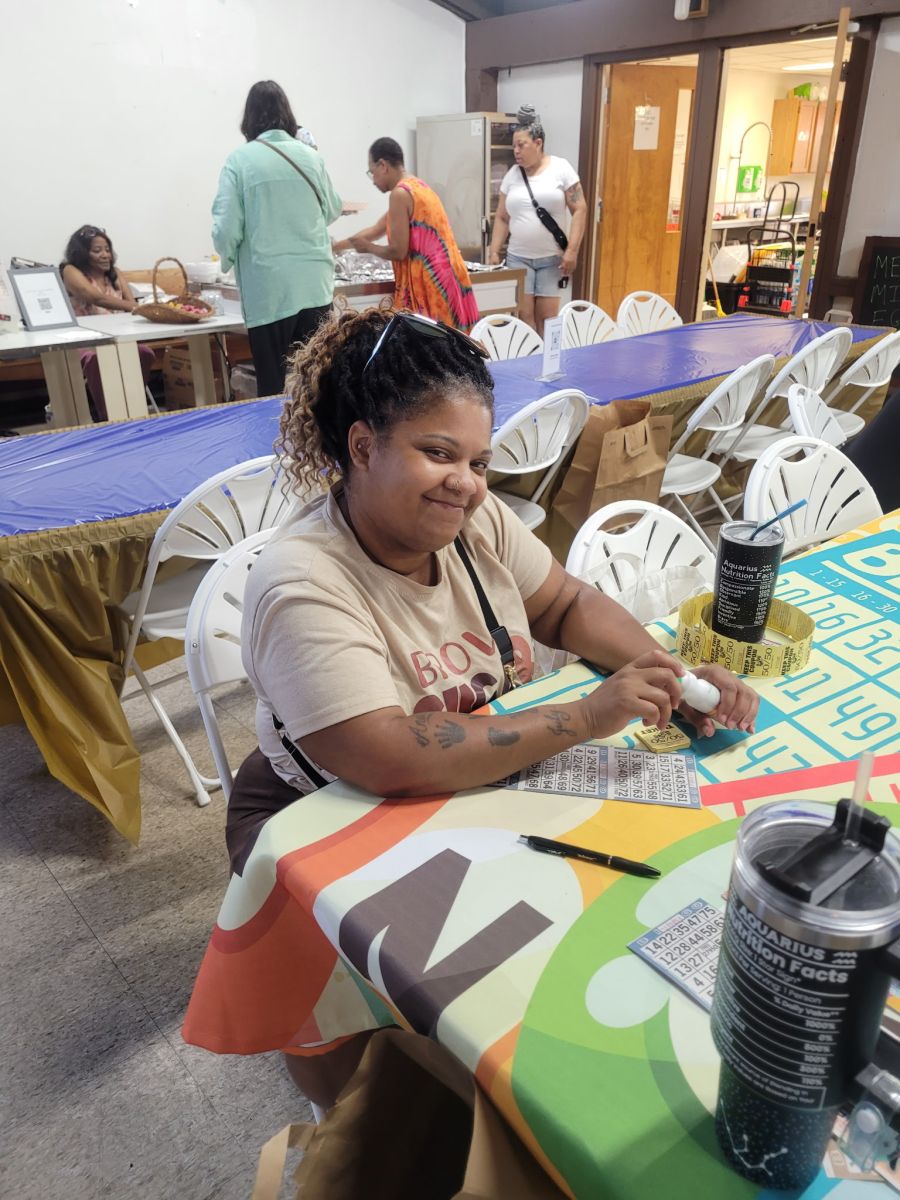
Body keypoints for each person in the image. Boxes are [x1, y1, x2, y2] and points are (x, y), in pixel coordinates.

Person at [224, 305, 759, 1107]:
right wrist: (586, 717)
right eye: (438, 453)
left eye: (478, 460)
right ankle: (349, 1125)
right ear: (363, 446)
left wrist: (666, 673)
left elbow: (567, 604)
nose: (468, 484)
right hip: (320, 818)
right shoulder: (303, 581)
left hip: (468, 785)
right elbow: (388, 755)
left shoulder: (473, 524)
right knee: (393, 1080)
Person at [212, 80, 343, 397]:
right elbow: (333, 209)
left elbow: (226, 228)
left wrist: (226, 260)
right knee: (320, 382)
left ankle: (273, 430)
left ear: (248, 118)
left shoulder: (240, 161)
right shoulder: (311, 157)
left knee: (272, 386)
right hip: (314, 284)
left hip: (268, 289)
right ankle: (323, 431)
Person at [333, 137, 479, 332]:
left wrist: (369, 248)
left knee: (430, 344)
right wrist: (335, 247)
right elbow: (375, 230)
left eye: (372, 172)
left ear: (383, 165)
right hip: (448, 278)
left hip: (429, 283)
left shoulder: (399, 194)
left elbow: (398, 251)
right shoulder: (419, 187)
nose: (373, 181)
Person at [488, 104, 588, 337]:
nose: (516, 151)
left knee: (548, 320)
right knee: (524, 320)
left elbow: (580, 209)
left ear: (538, 143)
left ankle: (550, 359)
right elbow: (502, 217)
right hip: (518, 257)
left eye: (521, 145)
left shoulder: (561, 168)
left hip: (551, 259)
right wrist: (494, 251)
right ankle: (528, 360)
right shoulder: (513, 174)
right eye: (514, 146)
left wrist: (572, 251)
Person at [60, 225, 155, 422]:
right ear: (82, 253)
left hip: (118, 338)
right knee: (96, 359)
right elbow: (95, 298)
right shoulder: (70, 271)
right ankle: (107, 417)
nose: (105, 255)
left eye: (107, 249)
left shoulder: (115, 273)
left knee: (145, 353)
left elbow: (131, 305)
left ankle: (133, 406)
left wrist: (143, 308)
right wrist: (138, 307)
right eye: (97, 250)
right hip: (83, 341)